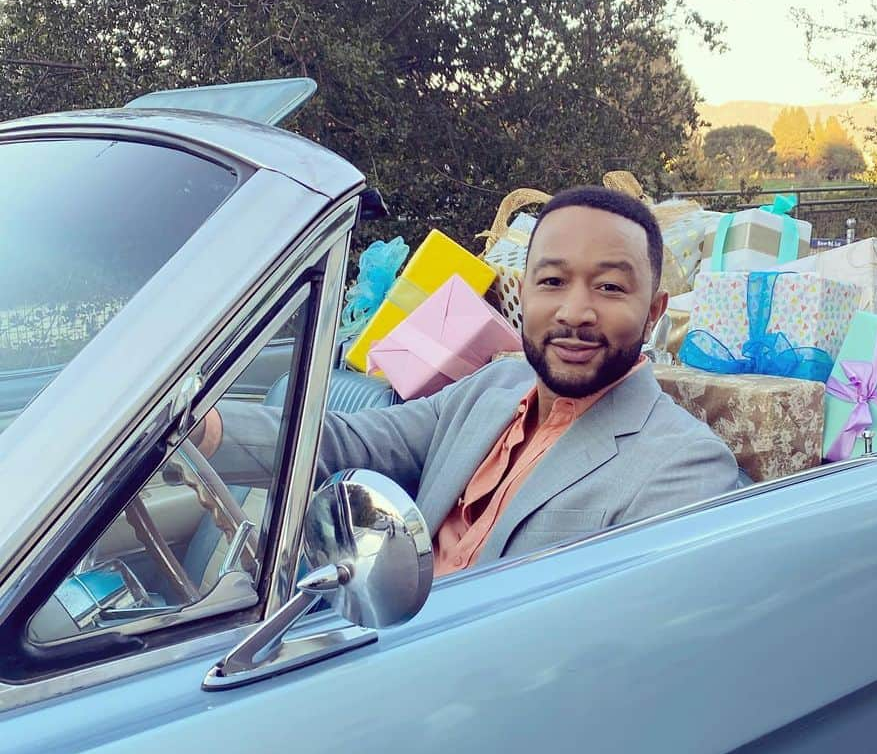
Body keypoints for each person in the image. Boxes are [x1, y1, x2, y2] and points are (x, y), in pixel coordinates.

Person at [200, 186, 738, 573]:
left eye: (611, 288)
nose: (576, 311)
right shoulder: (490, 388)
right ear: (522, 295)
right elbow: (350, 441)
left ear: (654, 311)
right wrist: (203, 431)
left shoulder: (685, 468)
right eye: (552, 281)